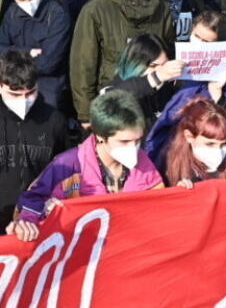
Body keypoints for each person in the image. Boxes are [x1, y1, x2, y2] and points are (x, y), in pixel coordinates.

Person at [11, 89, 164, 240]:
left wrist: (183, 191)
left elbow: (162, 206)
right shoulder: (68, 165)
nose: (133, 148)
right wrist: (39, 216)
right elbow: (29, 203)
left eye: (138, 140)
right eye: (124, 141)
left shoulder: (144, 162)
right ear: (100, 136)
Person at [0, 50, 69, 221]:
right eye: (15, 94)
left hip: (38, 216)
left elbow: (65, 170)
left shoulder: (54, 120)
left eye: (30, 93)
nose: (24, 100)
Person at [69, 0, 174, 124]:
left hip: (153, 104)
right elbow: (83, 65)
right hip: (113, 102)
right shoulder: (96, 10)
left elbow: (169, 49)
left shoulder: (160, 8)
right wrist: (86, 115)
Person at [0, 0, 72, 107]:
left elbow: (48, 63)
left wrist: (12, 54)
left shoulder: (57, 15)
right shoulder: (12, 13)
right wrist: (27, 52)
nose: (28, 4)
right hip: (13, 81)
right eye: (21, 0)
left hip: (46, 86)